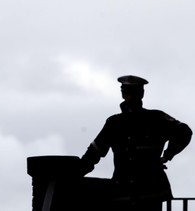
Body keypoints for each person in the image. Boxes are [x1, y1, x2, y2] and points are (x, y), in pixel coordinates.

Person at [80, 75, 192, 211]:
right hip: (125, 193)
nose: (130, 96)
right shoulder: (115, 123)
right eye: (127, 92)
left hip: (148, 193)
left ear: (141, 94)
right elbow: (94, 152)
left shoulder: (155, 118)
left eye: (132, 92)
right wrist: (75, 173)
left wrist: (168, 154)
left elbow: (184, 132)